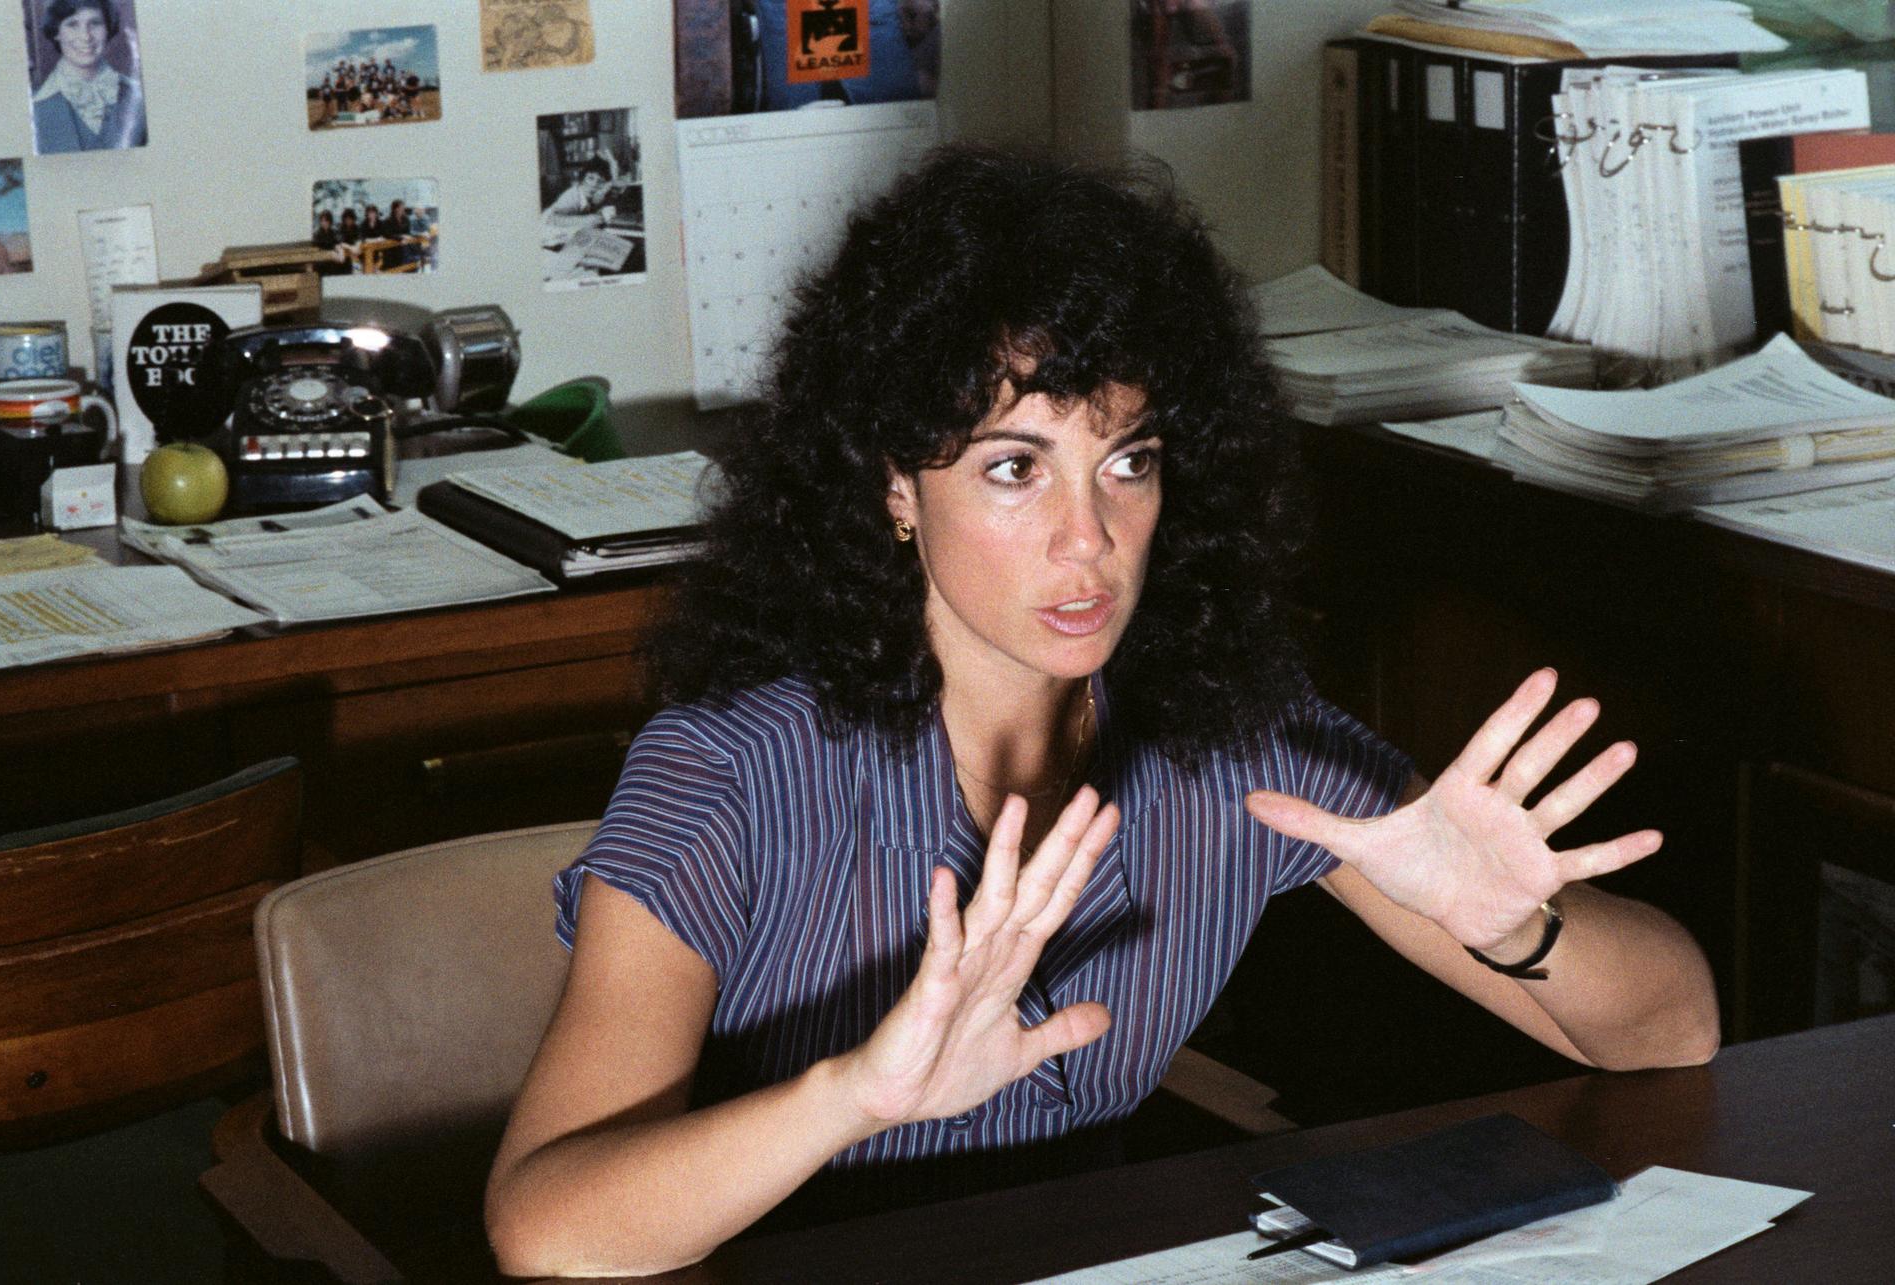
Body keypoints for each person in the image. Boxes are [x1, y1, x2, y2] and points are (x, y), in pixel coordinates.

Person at [484, 147, 1719, 1278]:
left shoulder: (1228, 743)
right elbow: (545, 1224)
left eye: (1128, 461)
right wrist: (857, 1093)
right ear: (895, 489)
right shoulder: (726, 775)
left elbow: (1669, 1033)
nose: (1092, 539)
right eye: (1015, 468)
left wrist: (1523, 930)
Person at [30, 0, 148, 153]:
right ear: (56, 32)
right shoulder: (31, 106)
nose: (86, 36)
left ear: (108, 28)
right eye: (72, 24)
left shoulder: (139, 97)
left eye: (95, 23)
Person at [539, 153, 623, 243]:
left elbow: (615, 184)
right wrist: (586, 219)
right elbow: (551, 219)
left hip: (568, 236)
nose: (594, 184)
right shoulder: (573, 195)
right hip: (544, 234)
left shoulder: (598, 196)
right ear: (582, 179)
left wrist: (613, 163)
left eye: (600, 181)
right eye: (590, 178)